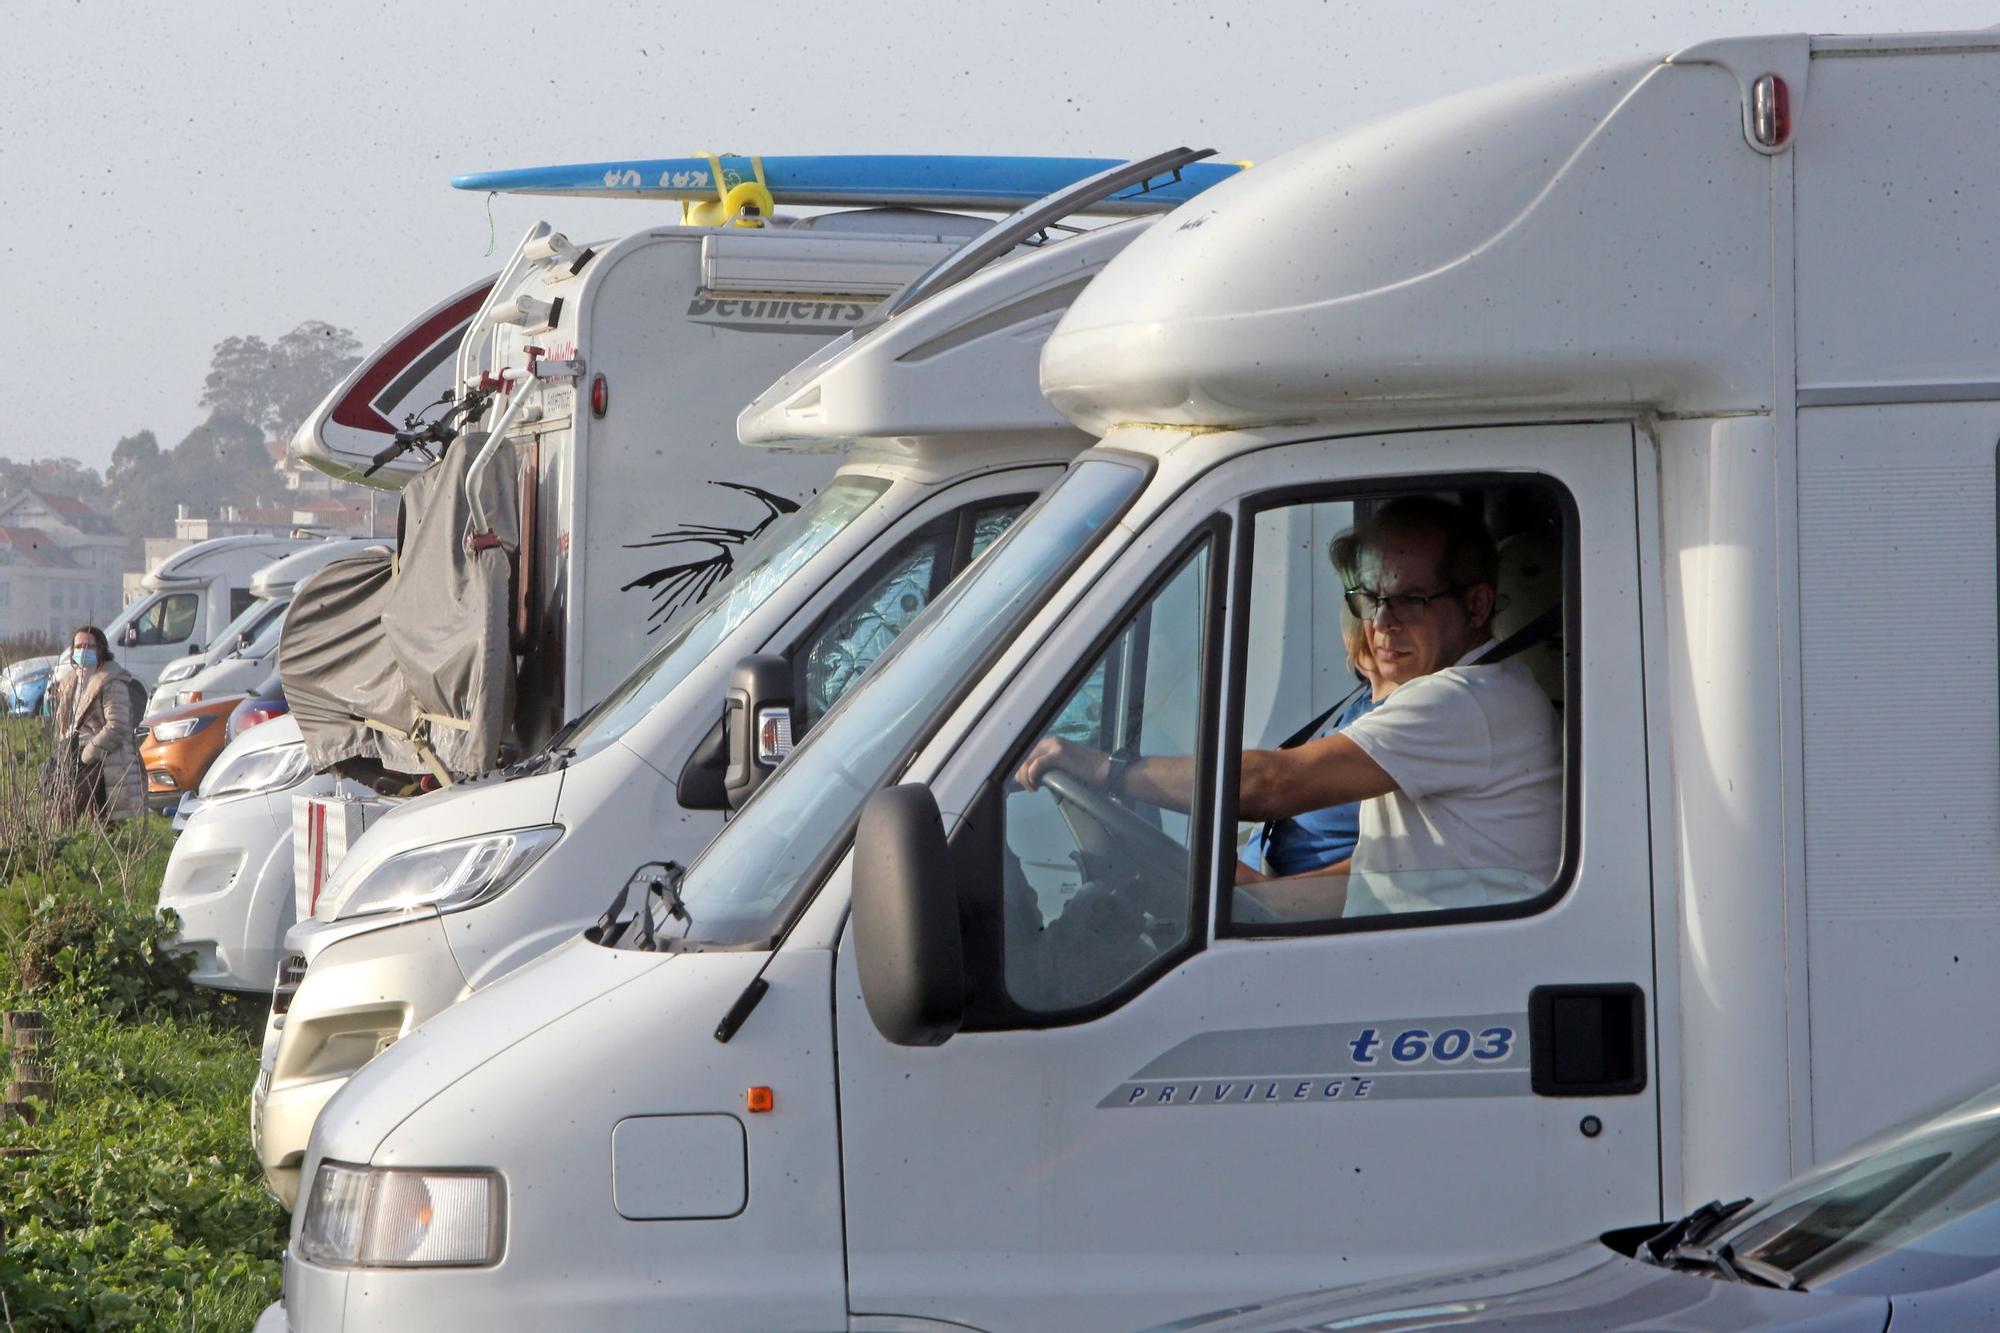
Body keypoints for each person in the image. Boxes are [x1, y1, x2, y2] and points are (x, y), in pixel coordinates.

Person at [1017, 495, 1561, 918]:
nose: (1380, 623)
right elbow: (1387, 874)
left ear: (1477, 604)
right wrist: (1254, 900)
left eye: (1409, 599)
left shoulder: (1461, 699)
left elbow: (1271, 786)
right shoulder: (1482, 694)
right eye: (1371, 598)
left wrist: (1105, 769)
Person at [1239, 532, 1390, 879]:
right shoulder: (1362, 700)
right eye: (1360, 599)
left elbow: (1381, 873)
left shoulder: (1410, 721)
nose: (1379, 620)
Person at [48, 625, 145, 823]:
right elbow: (65, 722)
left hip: (106, 756)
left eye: (89, 646)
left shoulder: (112, 681)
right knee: (55, 800)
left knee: (93, 816)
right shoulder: (70, 682)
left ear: (100, 649)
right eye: (79, 646)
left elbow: (117, 725)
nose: (83, 651)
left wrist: (90, 751)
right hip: (73, 754)